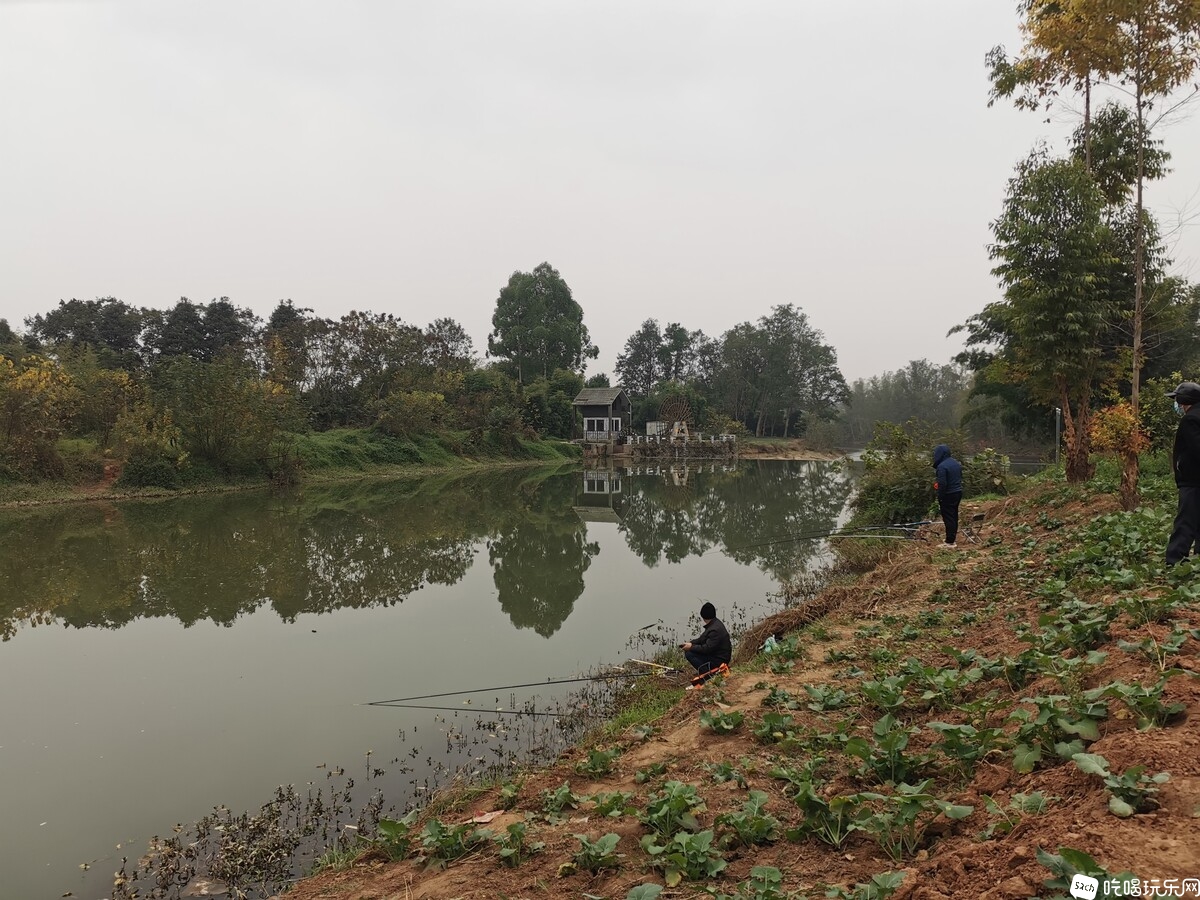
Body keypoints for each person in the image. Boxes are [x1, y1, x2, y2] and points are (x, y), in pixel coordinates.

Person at [1166, 382, 1200, 567]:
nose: (1177, 404)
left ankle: (1175, 560)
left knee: (1185, 521)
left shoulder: (1190, 420)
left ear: (1185, 401)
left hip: (1192, 480)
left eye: (1177, 400)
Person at [680, 602, 731, 689]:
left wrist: (691, 647)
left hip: (720, 660)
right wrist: (691, 643)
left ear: (703, 616)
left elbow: (706, 649)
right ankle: (707, 673)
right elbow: (701, 639)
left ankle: (709, 676)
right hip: (717, 655)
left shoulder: (714, 630)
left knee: (689, 654)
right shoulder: (715, 623)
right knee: (691, 650)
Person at [932, 444, 963, 548]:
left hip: (948, 494)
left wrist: (940, 496)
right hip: (958, 492)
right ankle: (952, 538)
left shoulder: (942, 466)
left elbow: (943, 484)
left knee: (948, 517)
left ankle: (949, 542)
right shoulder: (956, 463)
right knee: (954, 515)